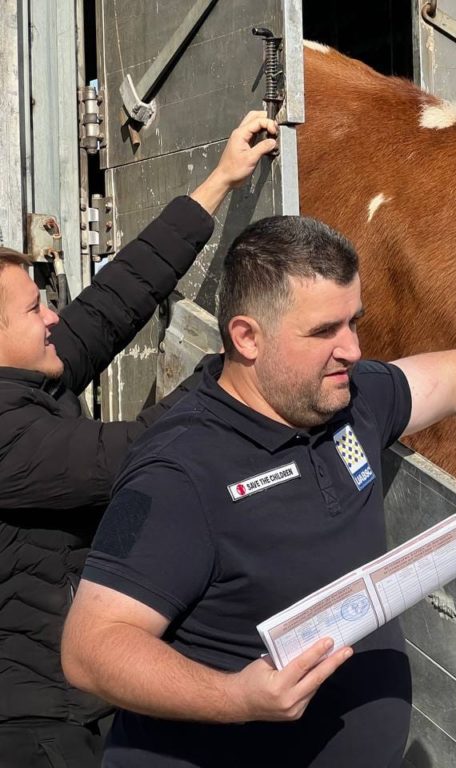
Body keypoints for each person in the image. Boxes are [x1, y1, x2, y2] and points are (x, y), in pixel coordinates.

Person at [60, 215, 456, 767]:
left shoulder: (347, 399)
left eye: (354, 323)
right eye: (324, 332)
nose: (352, 351)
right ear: (246, 337)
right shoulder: (180, 471)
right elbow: (93, 648)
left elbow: (453, 377)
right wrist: (233, 698)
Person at [0, 112, 279, 768]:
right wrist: (244, 366)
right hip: (34, 727)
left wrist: (219, 180)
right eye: (31, 310)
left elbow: (113, 302)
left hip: (77, 702)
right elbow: (136, 452)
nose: (51, 316)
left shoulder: (27, 380)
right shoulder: (5, 440)